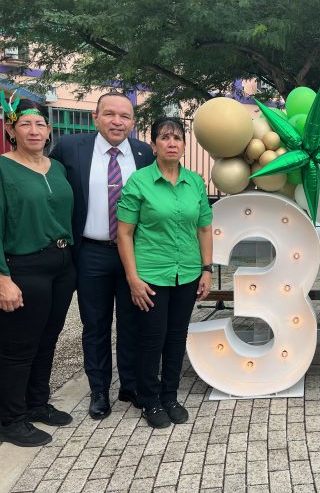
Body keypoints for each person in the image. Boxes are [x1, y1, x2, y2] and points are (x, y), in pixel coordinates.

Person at [50, 92, 153, 420]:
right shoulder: (70, 149)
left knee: (132, 321)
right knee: (94, 325)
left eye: (124, 116)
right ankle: (99, 390)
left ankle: (131, 385)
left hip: (132, 255)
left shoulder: (143, 153)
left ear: (133, 123)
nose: (117, 121)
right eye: (109, 114)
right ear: (96, 117)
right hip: (90, 252)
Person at [116, 117, 212, 428]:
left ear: (184, 145)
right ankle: (149, 399)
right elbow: (125, 233)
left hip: (186, 274)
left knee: (175, 337)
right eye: (164, 137)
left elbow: (204, 228)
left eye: (177, 138)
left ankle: (170, 396)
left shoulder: (195, 182)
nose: (172, 142)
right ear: (154, 144)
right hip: (150, 275)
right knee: (151, 339)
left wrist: (207, 269)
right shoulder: (139, 182)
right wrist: (132, 278)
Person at [0, 97, 77, 447]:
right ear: (10, 129)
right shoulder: (3, 169)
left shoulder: (56, 168)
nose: (34, 131)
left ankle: (36, 404)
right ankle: (11, 419)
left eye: (40, 125)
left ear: (48, 131)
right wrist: (2, 278)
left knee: (48, 339)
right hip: (23, 266)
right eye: (26, 124)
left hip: (60, 264)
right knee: (18, 346)